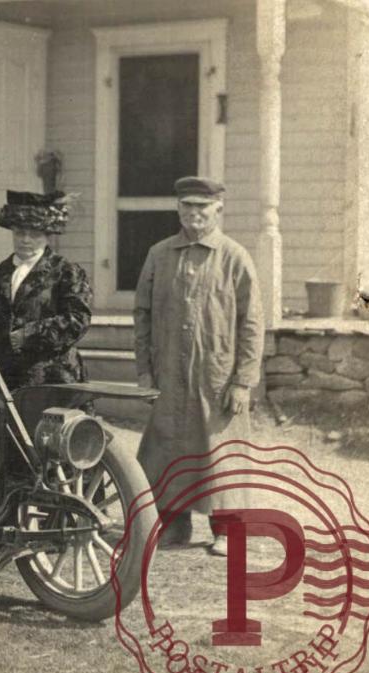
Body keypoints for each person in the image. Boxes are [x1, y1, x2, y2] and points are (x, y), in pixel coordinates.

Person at [133, 177, 264, 556]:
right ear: (177, 209)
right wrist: (145, 373)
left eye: (202, 208)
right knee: (167, 446)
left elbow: (253, 322)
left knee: (220, 450)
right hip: (168, 374)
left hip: (216, 375)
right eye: (187, 207)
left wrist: (243, 381)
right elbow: (141, 314)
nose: (194, 215)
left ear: (218, 209)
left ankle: (226, 529)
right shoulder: (159, 254)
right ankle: (174, 526)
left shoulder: (234, 256)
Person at [0, 190, 92, 390]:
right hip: (3, 379)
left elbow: (78, 320)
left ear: (47, 236)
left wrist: (28, 335)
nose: (25, 240)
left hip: (51, 378)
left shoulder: (66, 272)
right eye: (20, 233)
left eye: (34, 234)